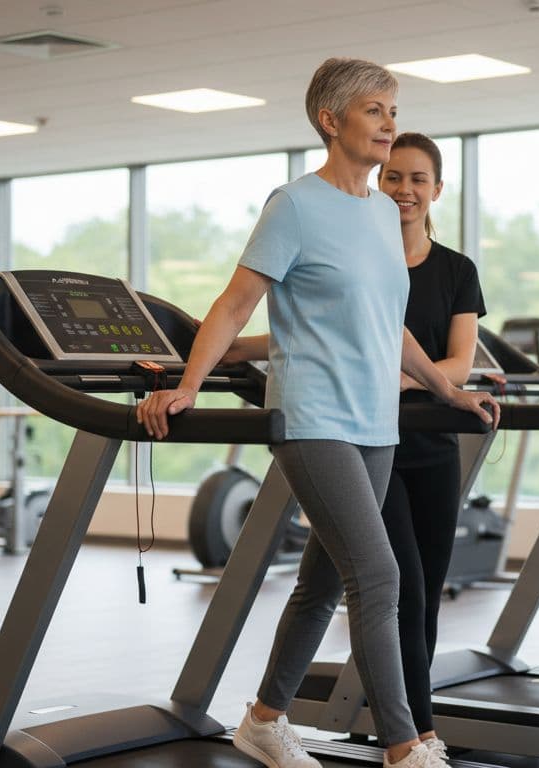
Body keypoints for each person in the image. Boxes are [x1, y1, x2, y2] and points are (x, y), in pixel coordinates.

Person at [136, 58, 500, 768]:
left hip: (375, 422)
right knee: (381, 574)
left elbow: (384, 324)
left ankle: (265, 719)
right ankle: (406, 746)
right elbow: (236, 302)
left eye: (394, 110)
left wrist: (447, 389)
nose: (390, 124)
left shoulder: (377, 212)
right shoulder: (295, 205)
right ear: (330, 121)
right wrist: (187, 383)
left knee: (324, 579)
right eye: (375, 110)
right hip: (314, 417)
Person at [375, 132, 488, 761]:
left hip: (434, 447)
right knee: (404, 589)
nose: (405, 191)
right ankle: (418, 733)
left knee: (429, 593)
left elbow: (461, 362)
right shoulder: (365, 262)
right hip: (374, 443)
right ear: (377, 184)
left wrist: (405, 375)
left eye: (417, 179)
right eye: (393, 178)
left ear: (436, 189)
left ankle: (405, 718)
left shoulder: (457, 271)